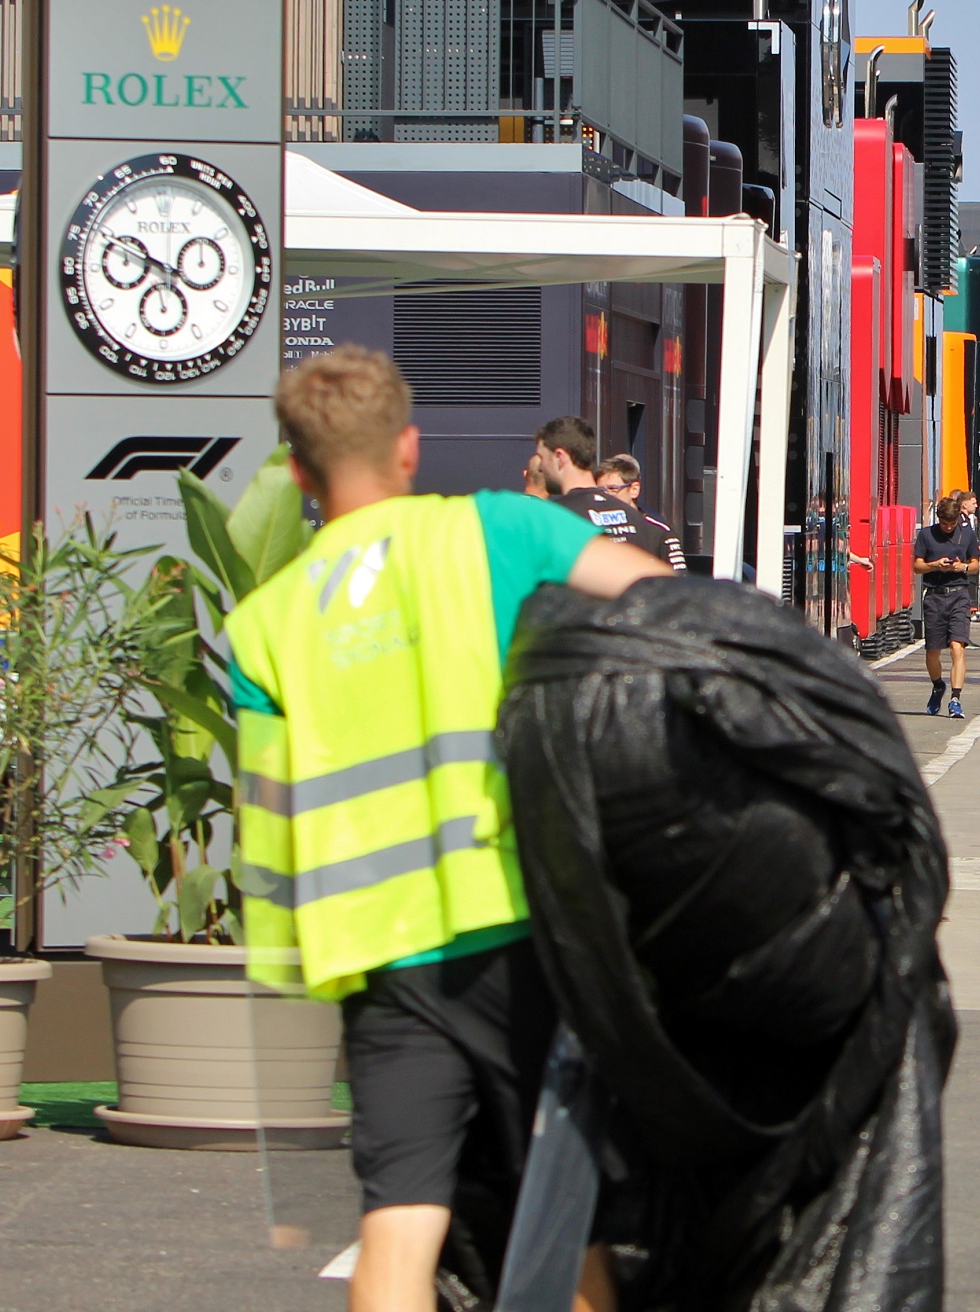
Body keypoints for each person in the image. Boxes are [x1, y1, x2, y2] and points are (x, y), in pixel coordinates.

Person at [225, 346, 669, 1312]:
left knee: (398, 1223)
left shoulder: (266, 623)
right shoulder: (497, 532)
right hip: (518, 932)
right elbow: (661, 601)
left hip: (379, 958)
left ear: (299, 473)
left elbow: (266, 844)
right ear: (410, 450)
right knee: (566, 1211)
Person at [916, 488, 980, 719]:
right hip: (934, 595)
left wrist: (961, 567)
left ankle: (956, 698)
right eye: (944, 522)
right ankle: (937, 685)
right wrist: (935, 565)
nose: (947, 527)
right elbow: (917, 566)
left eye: (951, 523)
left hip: (959, 595)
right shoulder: (927, 535)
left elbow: (975, 565)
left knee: (957, 646)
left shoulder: (967, 534)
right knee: (933, 651)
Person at [528, 418, 633, 545]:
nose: (540, 467)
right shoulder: (642, 523)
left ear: (559, 457)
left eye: (541, 457)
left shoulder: (550, 521)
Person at [597, 453, 687, 570]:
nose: (606, 496)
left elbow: (678, 578)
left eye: (613, 489)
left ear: (634, 489)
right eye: (600, 490)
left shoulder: (658, 532)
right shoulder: (591, 528)